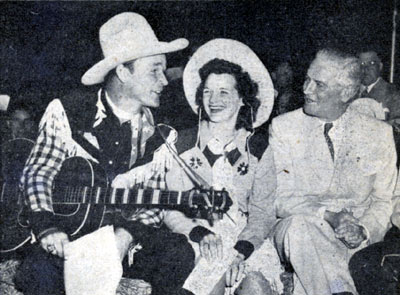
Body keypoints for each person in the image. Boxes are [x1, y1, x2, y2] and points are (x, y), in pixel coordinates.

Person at [15, 12, 195, 295]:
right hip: (67, 237)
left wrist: (122, 240)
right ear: (123, 72)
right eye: (154, 70)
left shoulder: (158, 134)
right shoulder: (68, 111)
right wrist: (47, 228)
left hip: (123, 241)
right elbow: (39, 171)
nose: (164, 80)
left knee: (177, 253)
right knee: (37, 271)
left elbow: (150, 204)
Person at [229, 48, 397, 295]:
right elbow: (280, 198)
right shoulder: (285, 127)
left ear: (347, 92)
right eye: (307, 79)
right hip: (298, 231)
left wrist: (363, 230)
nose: (306, 89)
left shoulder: (378, 133)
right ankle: (341, 291)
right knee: (301, 227)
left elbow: (385, 200)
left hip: (353, 238)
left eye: (319, 84)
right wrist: (329, 216)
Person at [157, 38, 282, 295]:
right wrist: (200, 233)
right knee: (210, 272)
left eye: (224, 92)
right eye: (207, 91)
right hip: (198, 239)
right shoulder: (181, 143)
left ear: (241, 99)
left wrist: (242, 250)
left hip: (246, 242)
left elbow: (262, 214)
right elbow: (170, 209)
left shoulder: (258, 148)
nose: (214, 100)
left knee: (256, 287)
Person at [358, 51, 400, 124]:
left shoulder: (393, 94)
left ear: (380, 66)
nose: (365, 69)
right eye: (362, 64)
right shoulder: (350, 92)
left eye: (371, 63)